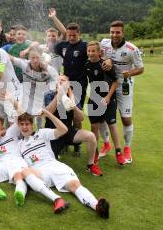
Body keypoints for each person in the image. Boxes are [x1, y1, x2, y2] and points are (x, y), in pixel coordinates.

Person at [17, 112, 110, 219]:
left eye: (27, 124)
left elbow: (63, 130)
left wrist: (48, 114)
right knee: (25, 171)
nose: (24, 127)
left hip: (54, 165)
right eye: (22, 124)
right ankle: (57, 199)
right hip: (40, 172)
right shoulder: (19, 144)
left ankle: (97, 206)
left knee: (74, 185)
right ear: (19, 126)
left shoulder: (41, 133)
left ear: (32, 125)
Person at [0, 115, 69, 211]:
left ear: (2, 125)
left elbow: (20, 114)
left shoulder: (11, 132)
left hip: (17, 162)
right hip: (2, 165)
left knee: (19, 176)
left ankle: (21, 195)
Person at [100, 21, 144, 163]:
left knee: (125, 117)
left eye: (117, 32)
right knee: (102, 116)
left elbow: (140, 68)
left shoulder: (132, 49)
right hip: (106, 84)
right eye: (112, 31)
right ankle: (106, 144)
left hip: (124, 85)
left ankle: (127, 148)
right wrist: (106, 60)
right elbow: (97, 56)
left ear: (123, 33)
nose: (114, 34)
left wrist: (129, 73)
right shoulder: (104, 44)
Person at [45, 75, 103, 176]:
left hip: (68, 132)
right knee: (51, 164)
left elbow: (80, 118)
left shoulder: (73, 97)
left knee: (91, 136)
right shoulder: (49, 95)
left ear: (68, 84)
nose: (60, 82)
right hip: (53, 133)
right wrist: (58, 96)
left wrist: (74, 107)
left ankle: (91, 165)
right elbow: (47, 113)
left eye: (62, 81)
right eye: (58, 81)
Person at [85, 41, 126, 165]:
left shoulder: (105, 65)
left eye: (93, 51)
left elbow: (115, 81)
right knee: (94, 127)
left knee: (112, 125)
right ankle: (95, 153)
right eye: (89, 51)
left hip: (108, 99)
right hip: (94, 99)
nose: (91, 53)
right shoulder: (86, 64)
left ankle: (119, 152)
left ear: (99, 52)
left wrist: (108, 97)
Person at [54, 23, 88, 156]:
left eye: (74, 35)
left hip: (80, 85)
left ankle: (77, 145)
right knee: (64, 114)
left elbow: (96, 54)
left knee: (77, 115)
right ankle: (64, 142)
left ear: (79, 33)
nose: (72, 38)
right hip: (65, 85)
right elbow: (50, 46)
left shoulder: (84, 46)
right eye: (69, 35)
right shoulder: (62, 46)